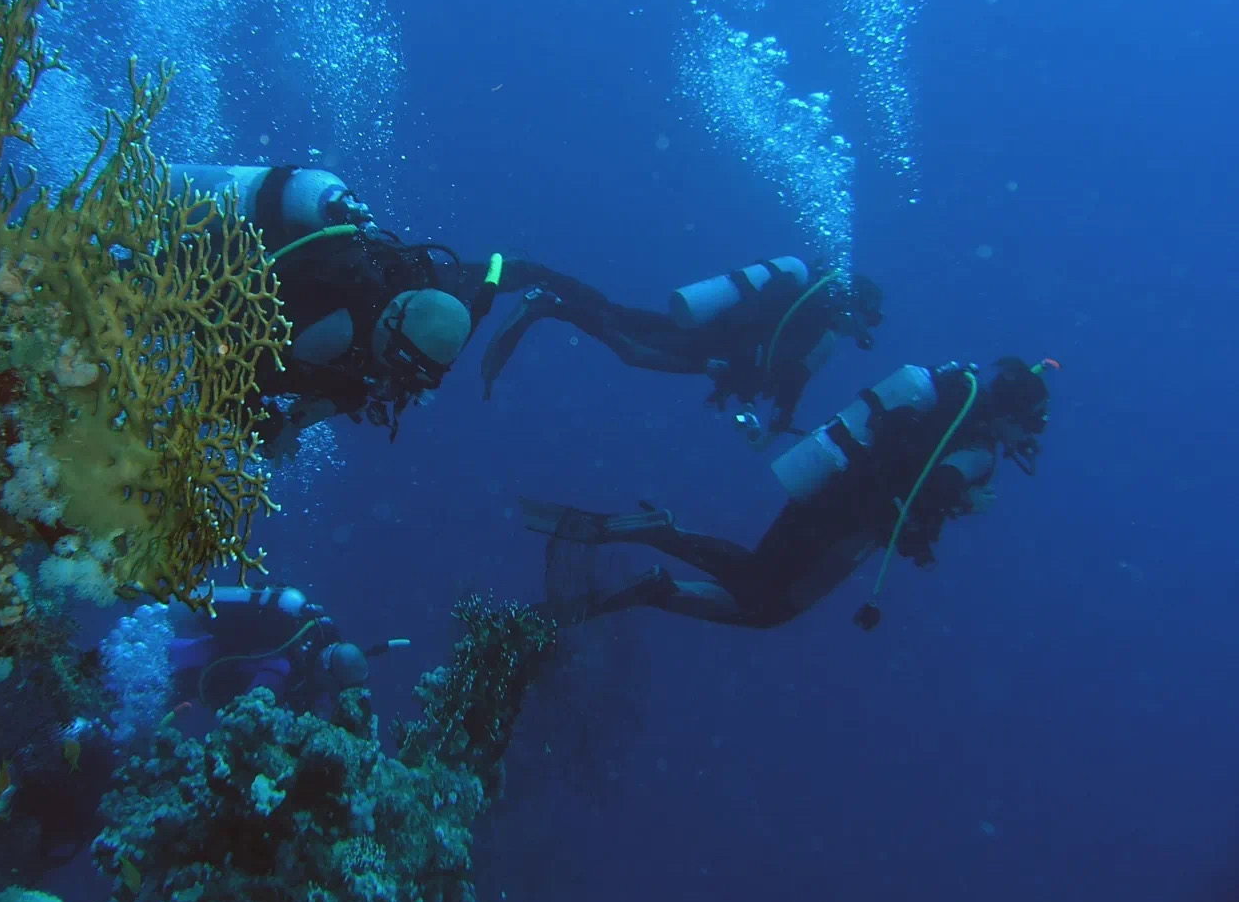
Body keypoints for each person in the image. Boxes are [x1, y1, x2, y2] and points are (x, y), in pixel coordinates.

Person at [520, 356, 1058, 632]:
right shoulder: (981, 445)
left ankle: (661, 548)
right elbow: (938, 486)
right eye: (1028, 429)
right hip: (854, 525)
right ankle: (658, 564)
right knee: (769, 609)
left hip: (830, 485)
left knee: (757, 578)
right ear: (1013, 417)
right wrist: (961, 501)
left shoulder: (946, 398)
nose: (1024, 442)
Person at [171, 162, 570, 452]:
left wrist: (327, 405)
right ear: (393, 324)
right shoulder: (333, 328)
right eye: (399, 366)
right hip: (194, 276)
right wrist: (268, 427)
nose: (394, 381)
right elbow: (220, 371)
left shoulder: (422, 291)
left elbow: (368, 382)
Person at [480, 256, 886, 446]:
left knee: (621, 317)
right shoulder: (813, 312)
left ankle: (543, 278)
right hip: (712, 347)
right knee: (634, 348)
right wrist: (740, 370)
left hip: (711, 337)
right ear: (855, 306)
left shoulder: (818, 319)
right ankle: (549, 301)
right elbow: (763, 335)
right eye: (866, 321)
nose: (861, 332)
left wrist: (782, 415)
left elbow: (792, 373)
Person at [167, 583, 409, 713]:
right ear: (327, 674)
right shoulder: (280, 669)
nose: (331, 698)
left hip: (190, 655)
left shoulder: (315, 641)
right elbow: (245, 715)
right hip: (183, 669)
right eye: (335, 691)